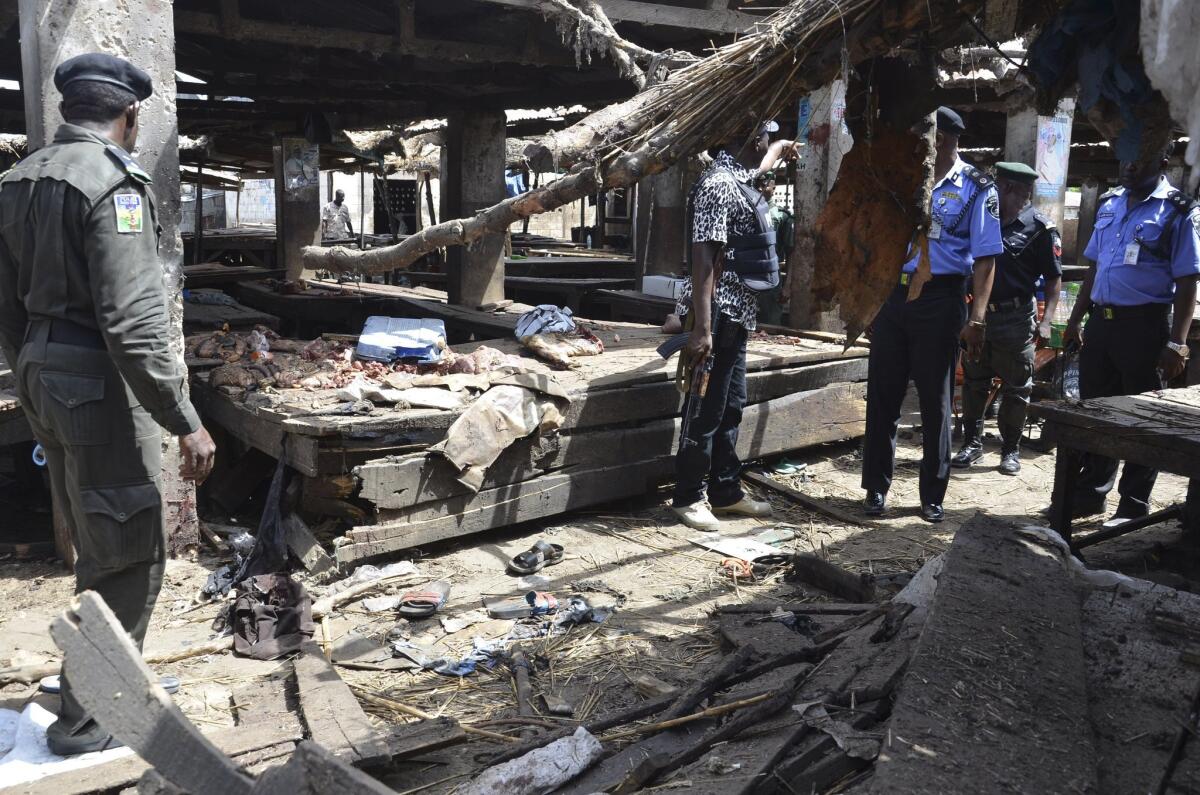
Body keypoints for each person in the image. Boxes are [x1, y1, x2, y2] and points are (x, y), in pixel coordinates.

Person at [0, 53, 216, 755]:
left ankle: (91, 679)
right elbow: (131, 323)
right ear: (129, 117)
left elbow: (6, 305)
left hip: (40, 367)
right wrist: (184, 419)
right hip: (93, 379)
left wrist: (33, 370)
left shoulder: (16, 180)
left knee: (94, 535)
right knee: (126, 545)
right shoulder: (116, 184)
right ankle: (91, 720)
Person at [860, 107, 1003, 522]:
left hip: (940, 300)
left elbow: (986, 259)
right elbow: (881, 242)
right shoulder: (902, 178)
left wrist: (976, 319)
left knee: (935, 401)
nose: (924, 142)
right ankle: (875, 489)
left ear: (945, 139)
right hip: (893, 297)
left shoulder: (977, 188)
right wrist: (871, 301)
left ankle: (931, 495)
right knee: (883, 396)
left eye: (931, 136)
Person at [1055, 146, 1200, 527]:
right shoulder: (1110, 203)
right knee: (1096, 412)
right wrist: (1075, 320)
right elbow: (1094, 267)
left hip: (1145, 327)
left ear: (1162, 162)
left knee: (1141, 416)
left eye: (1141, 159)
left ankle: (1133, 503)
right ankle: (1091, 495)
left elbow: (1188, 283)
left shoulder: (1179, 211)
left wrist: (1176, 342)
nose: (1130, 166)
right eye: (1126, 158)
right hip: (1100, 325)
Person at [670, 120, 799, 531]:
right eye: (765, 132)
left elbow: (761, 168)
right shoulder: (717, 184)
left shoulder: (739, 177)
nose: (766, 141)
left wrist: (780, 147)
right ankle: (688, 496)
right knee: (705, 408)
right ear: (747, 135)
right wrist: (702, 328)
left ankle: (726, 491)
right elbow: (704, 258)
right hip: (719, 314)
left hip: (739, 315)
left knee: (732, 405)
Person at [952, 161, 1062, 475]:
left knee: (1017, 387)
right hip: (978, 317)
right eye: (1019, 192)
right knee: (974, 381)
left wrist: (1046, 321)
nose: (1023, 198)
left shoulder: (1039, 228)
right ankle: (972, 443)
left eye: (1025, 193)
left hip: (1015, 318)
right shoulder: (981, 219)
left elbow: (1054, 280)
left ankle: (1009, 449)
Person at [754, 170, 795, 325]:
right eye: (757, 185)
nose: (760, 189)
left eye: (765, 185)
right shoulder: (747, 211)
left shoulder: (781, 216)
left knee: (770, 323)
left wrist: (788, 286)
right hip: (747, 270)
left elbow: (792, 252)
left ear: (773, 187)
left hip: (770, 275)